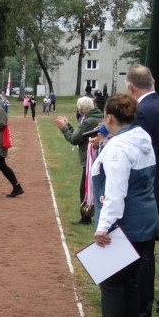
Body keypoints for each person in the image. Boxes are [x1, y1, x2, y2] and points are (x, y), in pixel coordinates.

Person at [75, 93, 158, 317]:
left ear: (109, 117)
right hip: (146, 218)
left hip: (126, 222)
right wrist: (106, 139)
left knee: (111, 281)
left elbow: (116, 191)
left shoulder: (118, 148)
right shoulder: (141, 136)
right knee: (131, 280)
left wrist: (103, 226)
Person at [126, 64, 159, 317]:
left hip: (149, 192)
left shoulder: (143, 112)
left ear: (131, 88)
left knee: (141, 255)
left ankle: (139, 311)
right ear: (153, 81)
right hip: (158, 188)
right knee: (145, 255)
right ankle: (140, 307)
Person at [55, 96, 104, 224]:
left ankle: (86, 217)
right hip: (95, 158)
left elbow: (74, 139)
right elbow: (79, 135)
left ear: (81, 110)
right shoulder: (96, 117)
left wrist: (64, 127)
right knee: (92, 187)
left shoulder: (89, 121)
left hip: (90, 159)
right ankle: (89, 216)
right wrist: (68, 126)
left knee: (85, 189)